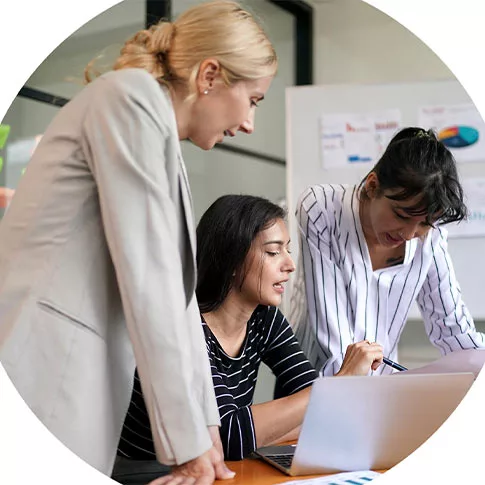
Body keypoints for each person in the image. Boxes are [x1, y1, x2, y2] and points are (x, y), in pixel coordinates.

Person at [0, 2, 276, 484]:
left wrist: (205, 426)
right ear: (209, 75)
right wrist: (186, 445)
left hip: (77, 378)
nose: (250, 123)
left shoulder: (165, 142)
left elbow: (180, 302)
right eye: (253, 99)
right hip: (43, 366)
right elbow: (150, 282)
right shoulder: (129, 99)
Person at [117, 194, 384, 466]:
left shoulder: (265, 319)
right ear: (231, 260)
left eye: (287, 250)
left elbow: (317, 412)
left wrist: (258, 431)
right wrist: (337, 384)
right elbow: (228, 437)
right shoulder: (185, 326)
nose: (289, 265)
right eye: (272, 252)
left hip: (213, 469)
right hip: (148, 471)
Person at [288, 127, 485, 377]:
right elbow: (335, 344)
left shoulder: (430, 239)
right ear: (372, 186)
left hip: (379, 387)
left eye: (425, 223)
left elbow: (456, 334)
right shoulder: (322, 208)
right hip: (312, 381)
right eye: (401, 215)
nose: (409, 233)